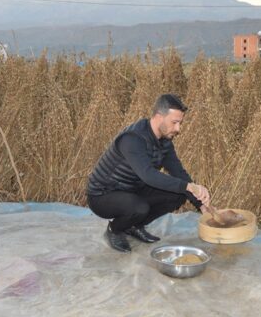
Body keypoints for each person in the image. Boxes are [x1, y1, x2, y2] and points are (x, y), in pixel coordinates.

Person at [87, 94, 211, 252]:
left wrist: (200, 203)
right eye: (175, 123)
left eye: (180, 123)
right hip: (103, 195)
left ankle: (133, 226)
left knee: (178, 194)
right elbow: (148, 175)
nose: (178, 129)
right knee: (140, 207)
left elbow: (178, 173)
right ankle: (115, 229)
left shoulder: (164, 142)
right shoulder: (133, 139)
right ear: (159, 117)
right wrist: (188, 186)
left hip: (133, 188)